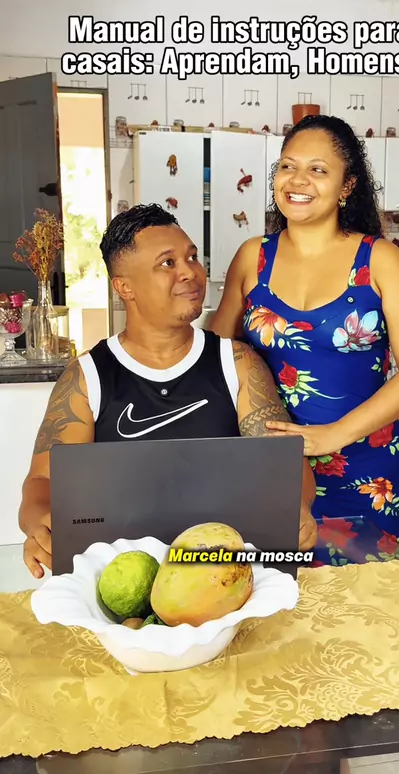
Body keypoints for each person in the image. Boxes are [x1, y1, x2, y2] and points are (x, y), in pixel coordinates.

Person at [19, 204, 317, 578]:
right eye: (167, 263)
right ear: (125, 287)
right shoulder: (86, 377)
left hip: (222, 572)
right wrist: (39, 521)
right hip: (123, 576)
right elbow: (44, 481)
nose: (190, 272)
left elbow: (284, 465)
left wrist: (297, 507)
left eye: (191, 257)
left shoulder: (237, 362)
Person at [210, 114, 399, 559]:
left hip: (365, 471)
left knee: (359, 593)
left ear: (347, 185)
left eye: (318, 169)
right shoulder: (253, 257)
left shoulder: (381, 260)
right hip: (272, 469)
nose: (297, 180)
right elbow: (217, 356)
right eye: (288, 166)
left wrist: (333, 435)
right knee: (274, 594)